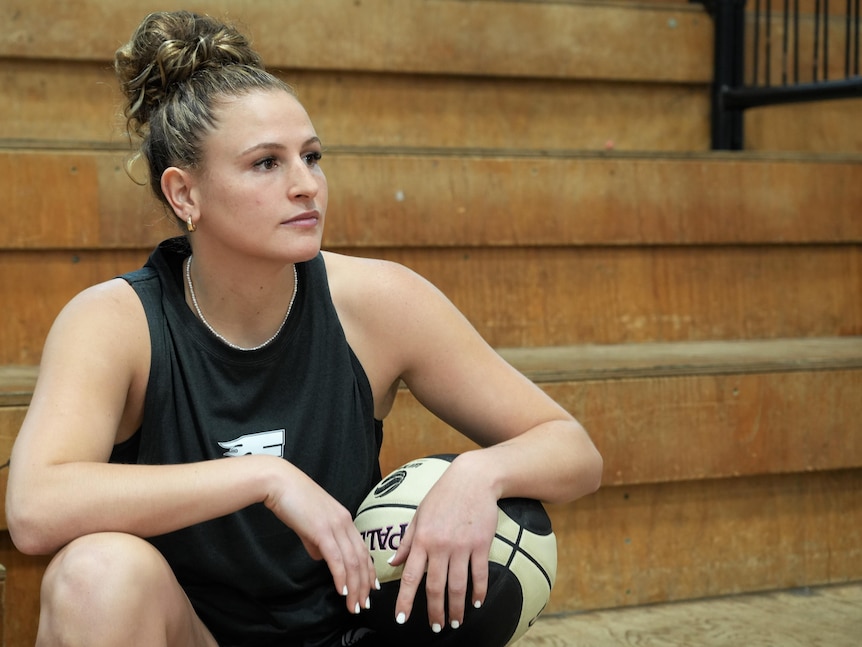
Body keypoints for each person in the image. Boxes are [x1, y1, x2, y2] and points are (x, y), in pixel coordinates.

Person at [6, 10, 602, 647]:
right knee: (94, 573)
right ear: (185, 195)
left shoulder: (376, 301)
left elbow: (572, 451)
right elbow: (37, 509)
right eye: (266, 163)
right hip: (193, 634)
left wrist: (480, 475)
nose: (305, 186)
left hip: (343, 637)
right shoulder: (115, 321)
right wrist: (267, 479)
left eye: (311, 157)